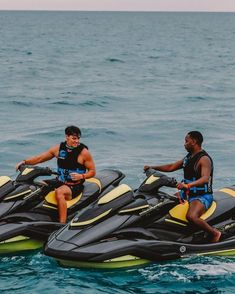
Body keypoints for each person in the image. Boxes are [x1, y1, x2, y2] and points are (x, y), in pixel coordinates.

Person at [144, 131, 221, 243]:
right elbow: (171, 167)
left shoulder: (204, 159)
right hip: (187, 193)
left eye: (186, 141)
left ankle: (215, 233)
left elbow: (205, 178)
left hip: (201, 196)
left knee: (191, 216)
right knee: (164, 203)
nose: (184, 144)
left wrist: (187, 185)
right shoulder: (189, 157)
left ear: (194, 142)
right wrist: (152, 167)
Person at [16, 125, 96, 223]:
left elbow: (92, 171)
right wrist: (24, 162)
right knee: (36, 186)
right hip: (59, 181)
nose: (76, 141)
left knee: (59, 192)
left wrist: (82, 176)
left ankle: (62, 223)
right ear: (67, 137)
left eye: (78, 139)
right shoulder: (58, 149)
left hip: (74, 186)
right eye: (74, 138)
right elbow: (40, 158)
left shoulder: (84, 153)